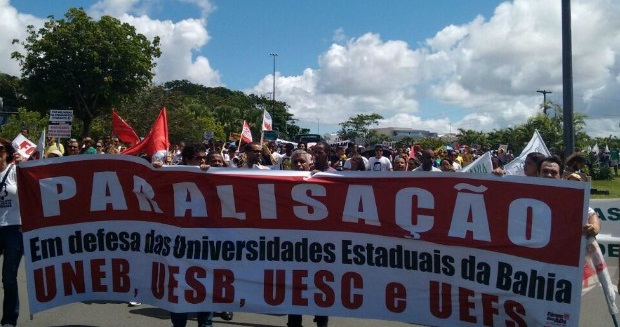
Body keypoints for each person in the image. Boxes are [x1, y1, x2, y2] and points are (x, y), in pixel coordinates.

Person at [287, 149, 329, 327]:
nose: (298, 165)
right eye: (295, 161)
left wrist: (325, 178)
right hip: (291, 246)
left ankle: (322, 321)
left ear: (310, 163)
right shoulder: (279, 179)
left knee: (322, 287)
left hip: (318, 246)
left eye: (301, 162)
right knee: (294, 288)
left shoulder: (324, 177)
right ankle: (294, 322)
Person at [538, 155, 600, 238]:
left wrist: (594, 227)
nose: (549, 175)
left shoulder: (568, 196)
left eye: (554, 172)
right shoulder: (526, 194)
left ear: (561, 176)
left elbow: (591, 213)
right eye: (545, 171)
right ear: (538, 174)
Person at [0, 138, 22, 327]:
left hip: (14, 229)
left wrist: (25, 166)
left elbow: (38, 182)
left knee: (9, 277)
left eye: (0, 149)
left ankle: (8, 320)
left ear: (7, 152)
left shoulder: (16, 171)